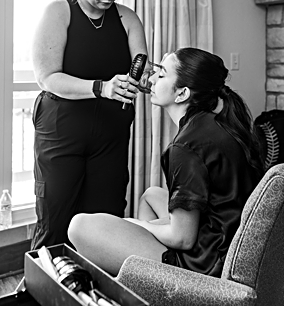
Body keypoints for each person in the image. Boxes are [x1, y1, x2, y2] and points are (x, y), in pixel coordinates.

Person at [69, 48, 266, 281]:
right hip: (224, 238)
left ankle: (162, 283)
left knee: (79, 226)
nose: (151, 79)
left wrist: (139, 225)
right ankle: (145, 283)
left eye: (161, 75)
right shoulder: (218, 125)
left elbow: (182, 238)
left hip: (205, 264)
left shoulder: (186, 147)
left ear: (182, 94)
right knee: (151, 195)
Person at [30, 0, 146, 254]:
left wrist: (143, 80)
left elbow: (140, 64)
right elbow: (48, 78)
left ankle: (96, 296)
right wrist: (102, 87)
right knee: (55, 220)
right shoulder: (59, 11)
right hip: (62, 129)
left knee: (106, 222)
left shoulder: (127, 19)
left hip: (111, 134)